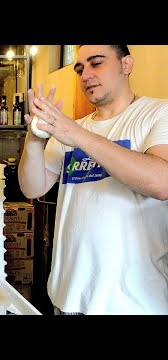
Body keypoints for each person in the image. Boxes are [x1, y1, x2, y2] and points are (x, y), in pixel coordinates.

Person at [18, 45, 168, 315]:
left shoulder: (157, 113)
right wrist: (34, 138)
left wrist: (76, 134)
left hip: (132, 305)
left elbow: (162, 182)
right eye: (79, 68)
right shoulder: (75, 129)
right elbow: (33, 187)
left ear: (126, 65)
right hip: (68, 299)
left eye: (96, 63)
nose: (85, 74)